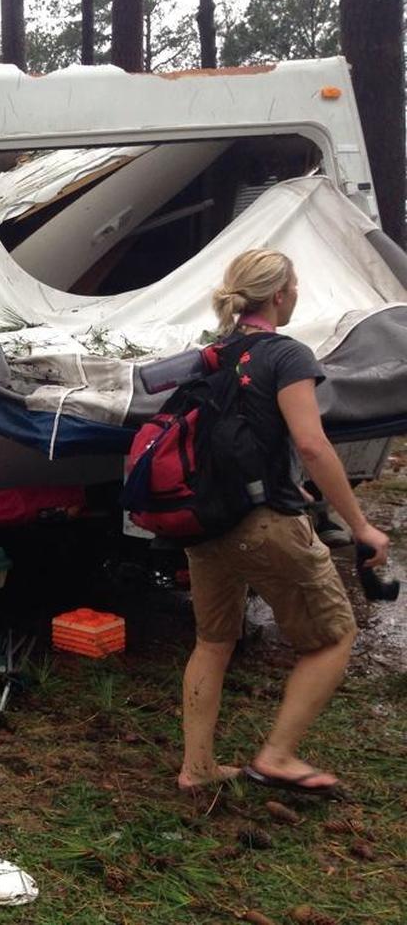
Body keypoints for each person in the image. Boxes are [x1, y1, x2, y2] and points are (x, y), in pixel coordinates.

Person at [178, 249, 390, 796]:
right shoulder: (286, 355)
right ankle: (277, 756)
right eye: (294, 286)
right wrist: (361, 525)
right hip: (266, 524)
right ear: (278, 295)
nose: (297, 295)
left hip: (207, 525)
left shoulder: (212, 353)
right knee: (333, 638)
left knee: (213, 641)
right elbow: (313, 444)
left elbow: (236, 440)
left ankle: (197, 768)